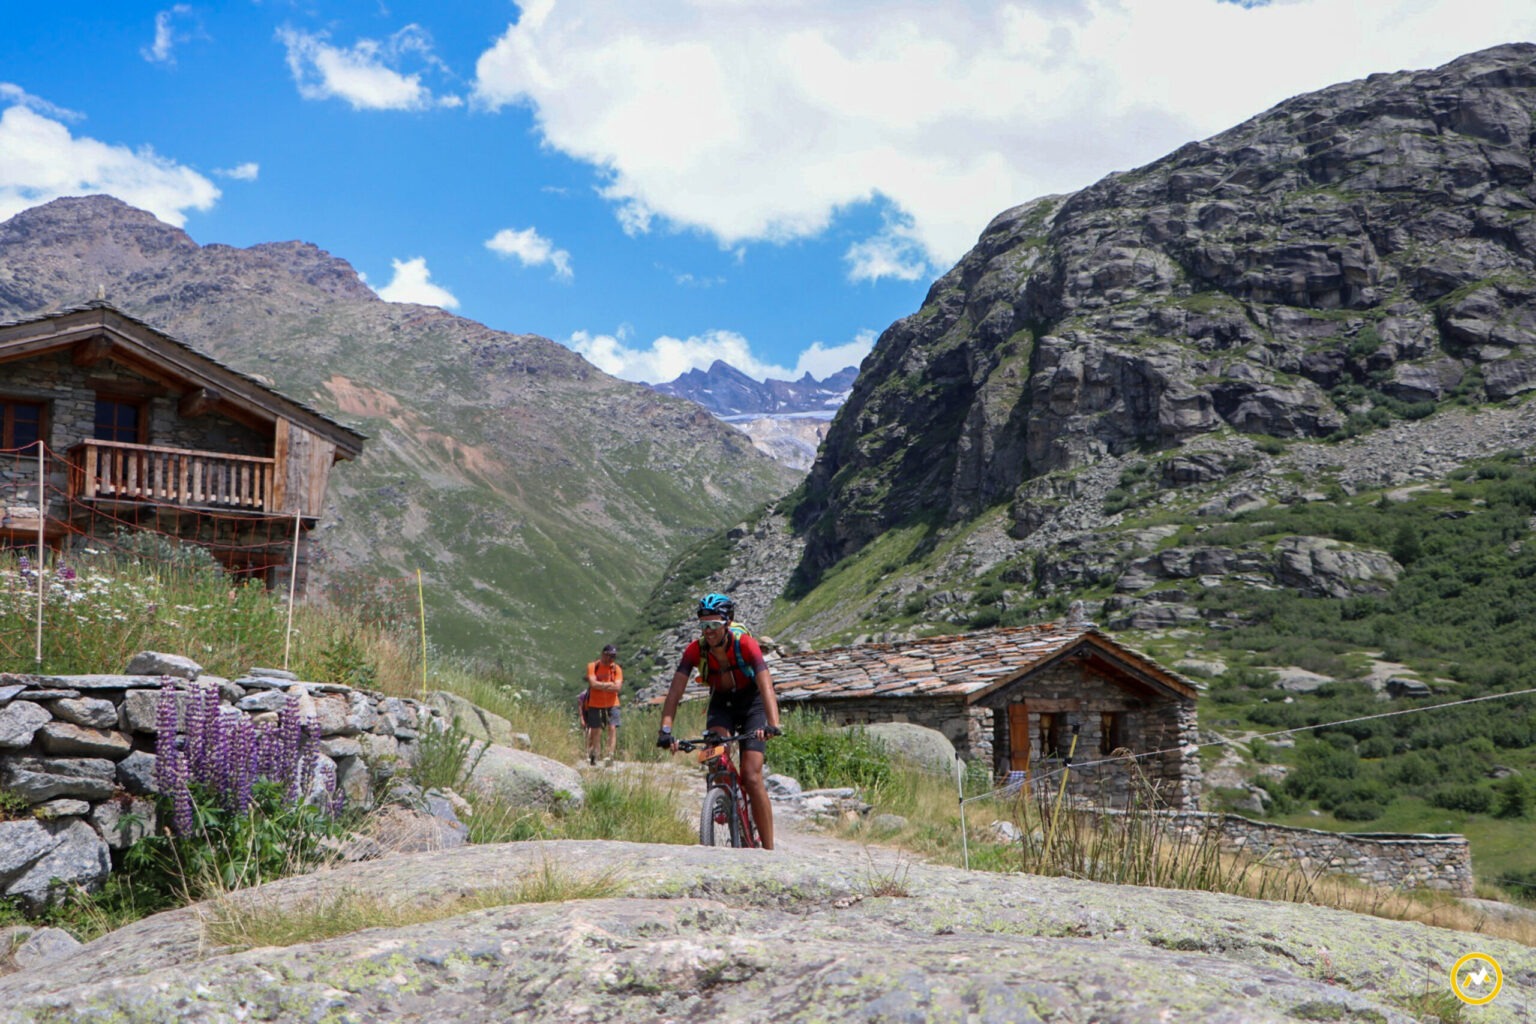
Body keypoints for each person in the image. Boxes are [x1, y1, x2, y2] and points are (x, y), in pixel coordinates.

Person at [656, 593, 782, 849]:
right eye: (703, 625)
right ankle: (721, 799)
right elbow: (674, 693)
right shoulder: (695, 649)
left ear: (727, 623)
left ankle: (769, 850)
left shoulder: (746, 644)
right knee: (715, 755)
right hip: (721, 702)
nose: (709, 631)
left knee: (751, 775)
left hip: (752, 704)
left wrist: (772, 723)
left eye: (714, 624)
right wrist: (666, 730)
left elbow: (766, 685)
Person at [584, 643, 623, 765]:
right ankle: (595, 753)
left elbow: (617, 687)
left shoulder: (616, 669)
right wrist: (608, 685)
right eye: (608, 656)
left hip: (612, 703)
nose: (610, 659)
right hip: (595, 703)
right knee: (595, 730)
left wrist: (600, 685)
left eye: (613, 657)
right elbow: (592, 684)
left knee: (612, 728)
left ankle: (610, 755)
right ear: (602, 654)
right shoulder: (592, 666)